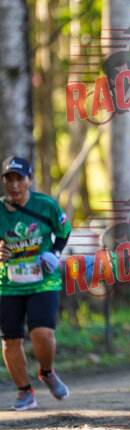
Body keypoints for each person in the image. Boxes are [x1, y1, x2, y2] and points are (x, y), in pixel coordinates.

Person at [0, 156, 72, 410]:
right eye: (9, 179)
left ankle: (47, 372)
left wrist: (54, 253)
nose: (15, 185)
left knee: (42, 333)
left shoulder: (46, 205)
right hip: (8, 284)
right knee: (10, 341)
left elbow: (64, 232)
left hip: (43, 280)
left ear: (30, 180)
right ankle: (24, 391)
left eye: (20, 179)